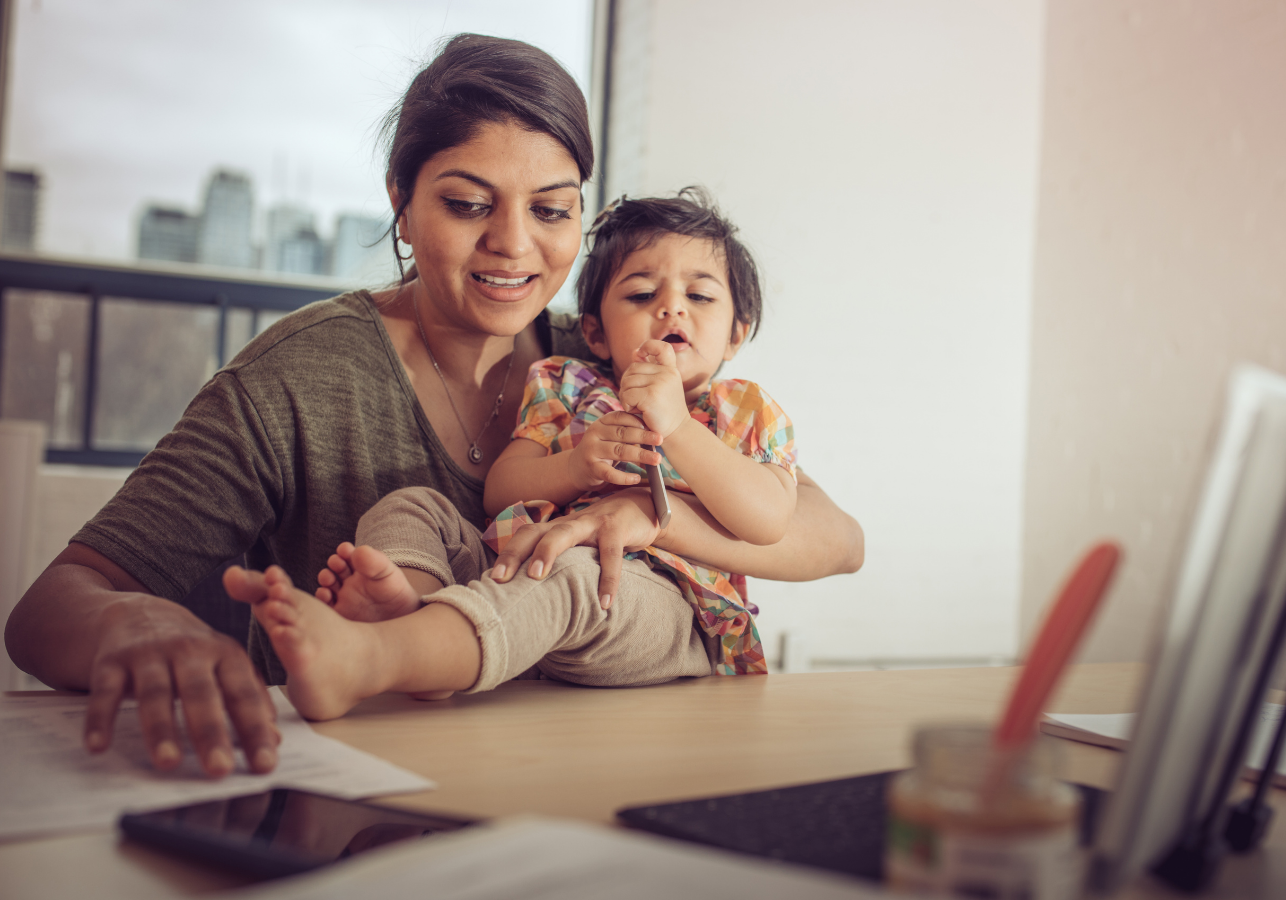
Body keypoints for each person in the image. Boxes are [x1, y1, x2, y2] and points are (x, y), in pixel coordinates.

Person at [4, 34, 863, 776]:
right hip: (365, 789)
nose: (514, 246)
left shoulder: (608, 352)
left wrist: (649, 519)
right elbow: (52, 607)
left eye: (552, 210)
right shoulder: (303, 378)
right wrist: (144, 626)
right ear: (401, 205)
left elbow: (831, 536)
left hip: (569, 771)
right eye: (466, 203)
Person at [245, 190, 796, 721]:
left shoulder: (742, 408)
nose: (671, 307)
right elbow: (501, 489)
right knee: (414, 507)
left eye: (699, 296)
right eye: (640, 295)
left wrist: (675, 423)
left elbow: (768, 519)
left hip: (658, 602)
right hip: (513, 567)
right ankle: (417, 613)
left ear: (734, 337)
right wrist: (574, 466)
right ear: (595, 334)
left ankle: (377, 657)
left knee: (574, 572)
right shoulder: (566, 382)